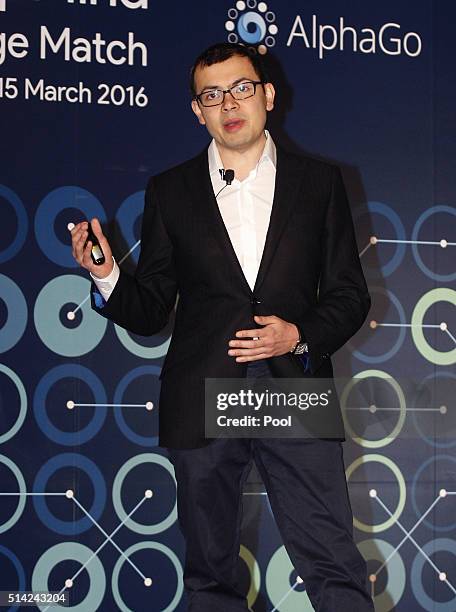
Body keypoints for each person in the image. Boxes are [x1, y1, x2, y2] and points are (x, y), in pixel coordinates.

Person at [71, 43, 374, 612]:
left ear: (268, 94)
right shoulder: (170, 190)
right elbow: (153, 306)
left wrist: (299, 335)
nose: (228, 103)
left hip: (294, 389)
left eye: (240, 88)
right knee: (209, 576)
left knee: (333, 562)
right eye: (212, 95)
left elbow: (348, 295)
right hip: (203, 393)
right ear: (197, 111)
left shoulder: (320, 183)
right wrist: (109, 275)